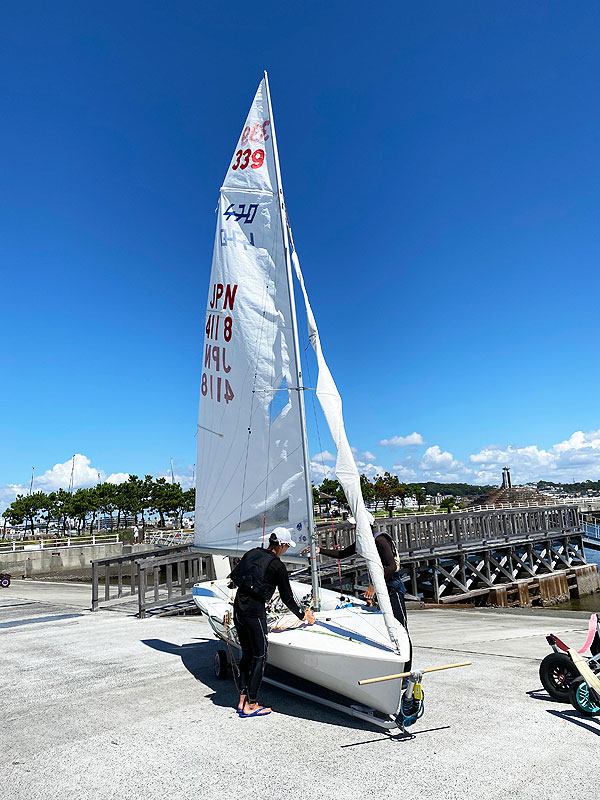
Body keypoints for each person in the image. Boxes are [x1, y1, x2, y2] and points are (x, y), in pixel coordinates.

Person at [230, 527, 315, 718]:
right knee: (260, 656)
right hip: (254, 612)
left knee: (247, 653)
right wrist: (303, 616)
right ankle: (251, 705)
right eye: (287, 547)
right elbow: (287, 597)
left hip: (239, 609)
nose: (286, 550)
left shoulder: (252, 553)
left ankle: (242, 699)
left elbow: (237, 576)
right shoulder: (278, 566)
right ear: (283, 545)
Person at [317, 524, 412, 670]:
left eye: (356, 525)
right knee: (385, 626)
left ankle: (406, 670)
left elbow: (391, 566)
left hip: (392, 588)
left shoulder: (380, 541)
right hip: (382, 588)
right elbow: (342, 554)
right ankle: (393, 665)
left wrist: (374, 586)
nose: (355, 528)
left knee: (400, 628)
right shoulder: (365, 540)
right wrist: (319, 550)